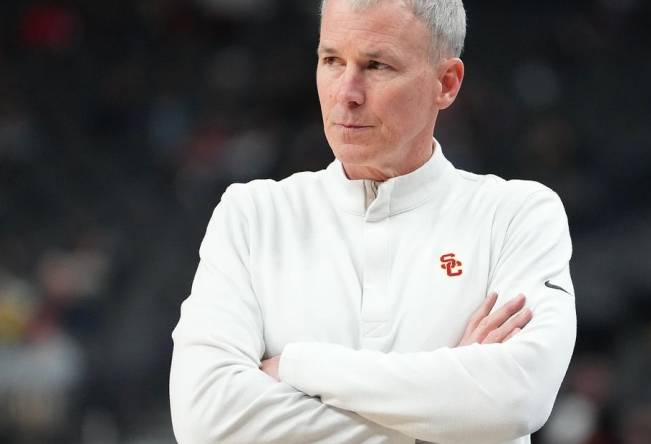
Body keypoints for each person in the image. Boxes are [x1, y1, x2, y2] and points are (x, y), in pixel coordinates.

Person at [169, 0, 577, 443]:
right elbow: (206, 419)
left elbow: (516, 398)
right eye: (331, 61)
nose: (346, 92)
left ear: (446, 83)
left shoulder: (517, 216)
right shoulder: (252, 215)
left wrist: (297, 366)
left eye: (377, 66)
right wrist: (443, 424)